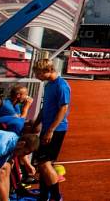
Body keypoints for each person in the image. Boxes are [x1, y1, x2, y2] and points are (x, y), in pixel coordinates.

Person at [32, 59, 70, 201]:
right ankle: (44, 196)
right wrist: (37, 123)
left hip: (56, 130)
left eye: (37, 73)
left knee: (44, 164)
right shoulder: (49, 86)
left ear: (46, 71)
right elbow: (45, 107)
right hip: (48, 128)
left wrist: (51, 130)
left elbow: (63, 108)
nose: (36, 76)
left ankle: (55, 197)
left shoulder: (61, 85)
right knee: (44, 167)